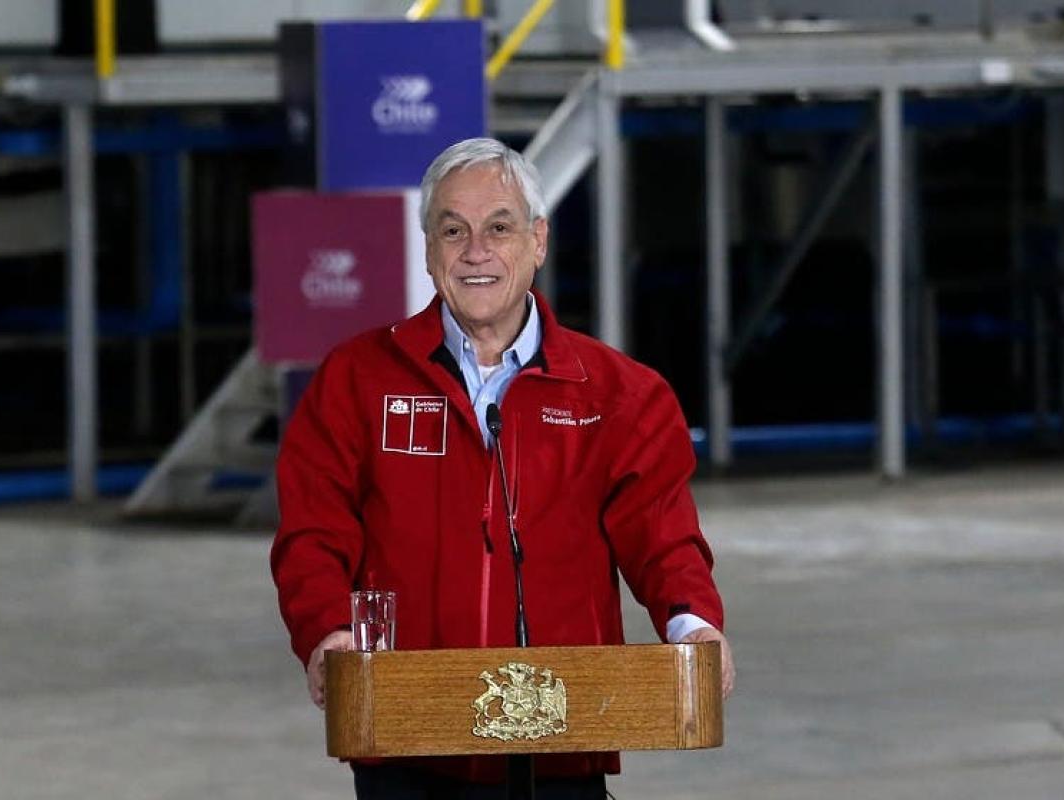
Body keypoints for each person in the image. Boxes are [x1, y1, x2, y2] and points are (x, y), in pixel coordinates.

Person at [270, 137, 735, 799]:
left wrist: (693, 623)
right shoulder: (356, 379)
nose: (475, 252)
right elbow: (313, 530)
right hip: (407, 743)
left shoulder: (620, 395)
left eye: (499, 228)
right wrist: (327, 631)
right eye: (453, 231)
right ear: (428, 250)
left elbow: (661, 534)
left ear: (538, 241)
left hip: (561, 748)